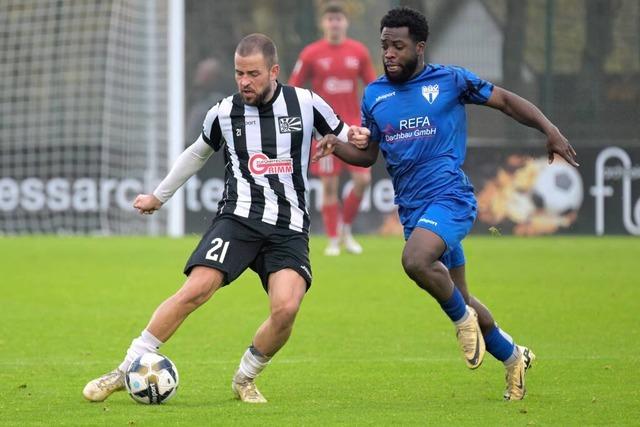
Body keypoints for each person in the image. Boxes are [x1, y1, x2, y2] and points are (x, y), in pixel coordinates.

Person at [82, 33, 368, 404]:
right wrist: (158, 196)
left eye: (253, 74)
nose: (245, 82)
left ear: (274, 71)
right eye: (239, 74)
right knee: (197, 289)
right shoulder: (223, 112)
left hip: (289, 226)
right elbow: (195, 154)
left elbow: (349, 134)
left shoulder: (307, 103)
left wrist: (361, 135)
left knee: (286, 309)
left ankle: (245, 378)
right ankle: (124, 369)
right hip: (239, 218)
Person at [315, 7, 578, 400]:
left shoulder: (451, 80)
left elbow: (505, 101)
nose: (388, 53)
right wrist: (336, 145)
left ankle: (461, 321)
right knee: (463, 296)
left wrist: (550, 129)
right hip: (413, 210)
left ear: (419, 48)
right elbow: (369, 156)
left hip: (451, 198)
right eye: (384, 45)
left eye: (397, 46)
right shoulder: (374, 95)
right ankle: (512, 358)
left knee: (415, 261)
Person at [289, 1, 377, 256]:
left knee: (363, 179)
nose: (335, 23)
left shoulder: (358, 52)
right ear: (323, 23)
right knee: (329, 186)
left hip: (353, 127)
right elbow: (294, 87)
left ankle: (346, 229)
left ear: (345, 23)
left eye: (339, 19)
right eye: (330, 19)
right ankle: (333, 239)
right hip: (324, 129)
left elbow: (371, 86)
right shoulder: (311, 53)